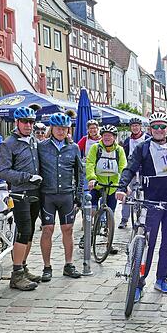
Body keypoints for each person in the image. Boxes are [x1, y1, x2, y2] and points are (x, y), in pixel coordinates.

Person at [116, 112, 167, 301]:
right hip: (151, 201)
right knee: (147, 243)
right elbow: (129, 168)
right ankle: (138, 282)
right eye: (155, 127)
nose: (159, 130)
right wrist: (122, 187)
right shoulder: (143, 148)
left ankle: (161, 279)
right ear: (150, 129)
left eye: (163, 126)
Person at [0, 106, 44, 291]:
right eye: (25, 122)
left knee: (30, 231)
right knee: (23, 231)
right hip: (19, 193)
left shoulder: (32, 140)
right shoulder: (8, 144)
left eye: (31, 122)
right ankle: (16, 275)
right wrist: (26, 177)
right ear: (16, 122)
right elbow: (3, 171)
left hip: (35, 192)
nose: (28, 125)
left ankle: (23, 267)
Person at [36, 113, 85, 281]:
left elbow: (80, 172)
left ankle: (69, 264)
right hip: (47, 195)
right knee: (47, 230)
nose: (61, 131)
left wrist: (79, 196)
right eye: (58, 128)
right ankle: (47, 267)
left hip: (66, 194)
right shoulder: (41, 147)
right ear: (52, 128)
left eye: (64, 129)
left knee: (68, 229)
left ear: (68, 130)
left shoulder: (74, 148)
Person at [86, 124, 126, 255]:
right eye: (105, 136)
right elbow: (90, 163)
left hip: (112, 187)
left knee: (110, 216)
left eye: (110, 136)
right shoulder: (95, 148)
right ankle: (88, 234)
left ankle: (110, 243)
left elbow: (123, 167)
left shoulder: (119, 150)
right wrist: (91, 178)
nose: (107, 138)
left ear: (114, 137)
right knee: (90, 210)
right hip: (97, 185)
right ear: (101, 137)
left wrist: (123, 185)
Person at [119, 117, 150, 229]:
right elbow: (125, 156)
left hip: (144, 170)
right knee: (127, 193)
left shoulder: (147, 138)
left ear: (140, 127)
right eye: (133, 126)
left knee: (147, 194)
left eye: (137, 126)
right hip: (132, 170)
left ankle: (146, 217)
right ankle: (124, 218)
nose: (135, 128)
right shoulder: (128, 141)